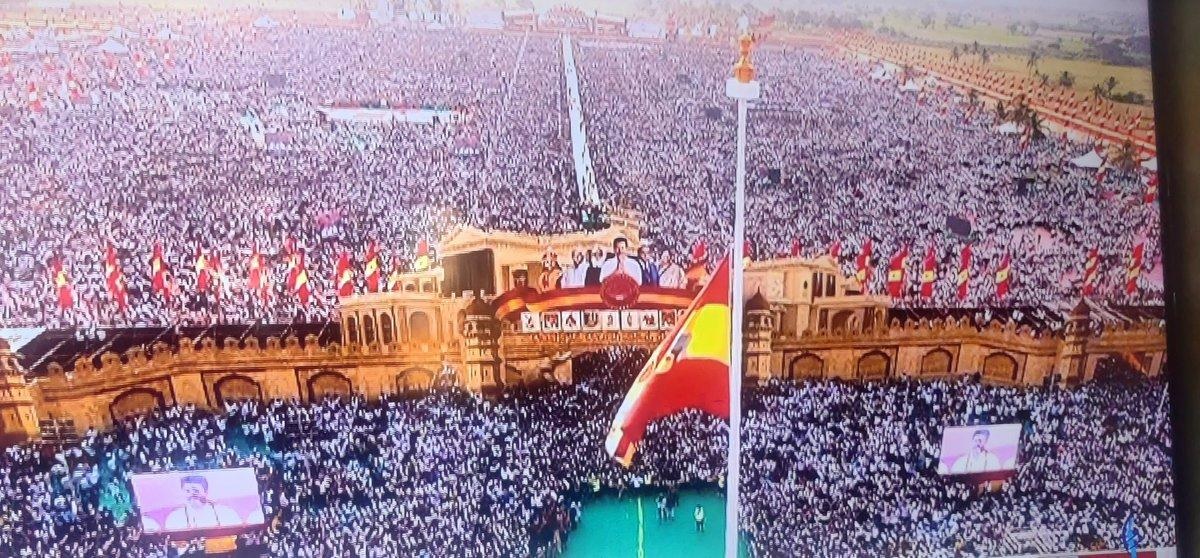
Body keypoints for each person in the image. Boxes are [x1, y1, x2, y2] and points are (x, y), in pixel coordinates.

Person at [160, 475, 243, 531]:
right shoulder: (175, 517)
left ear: (206, 492)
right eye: (188, 491)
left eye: (196, 491)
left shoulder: (225, 512)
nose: (192, 494)